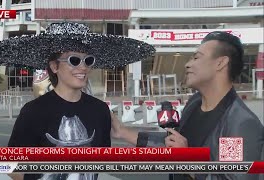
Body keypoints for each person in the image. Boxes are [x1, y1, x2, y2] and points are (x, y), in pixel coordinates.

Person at [0, 22, 155, 180]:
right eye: (74, 60)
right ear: (54, 66)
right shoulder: (33, 111)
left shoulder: (100, 111)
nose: (83, 67)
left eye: (88, 60)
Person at [111, 31, 264, 180]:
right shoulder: (194, 103)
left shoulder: (238, 123)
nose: (187, 65)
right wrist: (122, 132)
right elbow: (173, 145)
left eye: (196, 57)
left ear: (220, 63)